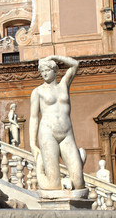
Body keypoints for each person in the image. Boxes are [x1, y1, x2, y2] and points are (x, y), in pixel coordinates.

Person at [29, 55, 85, 190]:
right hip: (48, 133)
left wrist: (53, 56)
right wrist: (32, 142)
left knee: (79, 183)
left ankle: (77, 166)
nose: (44, 74)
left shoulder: (64, 84)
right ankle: (40, 169)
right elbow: (34, 117)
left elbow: (75, 64)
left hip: (67, 133)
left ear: (55, 70)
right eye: (42, 72)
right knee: (53, 185)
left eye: (47, 70)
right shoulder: (37, 91)